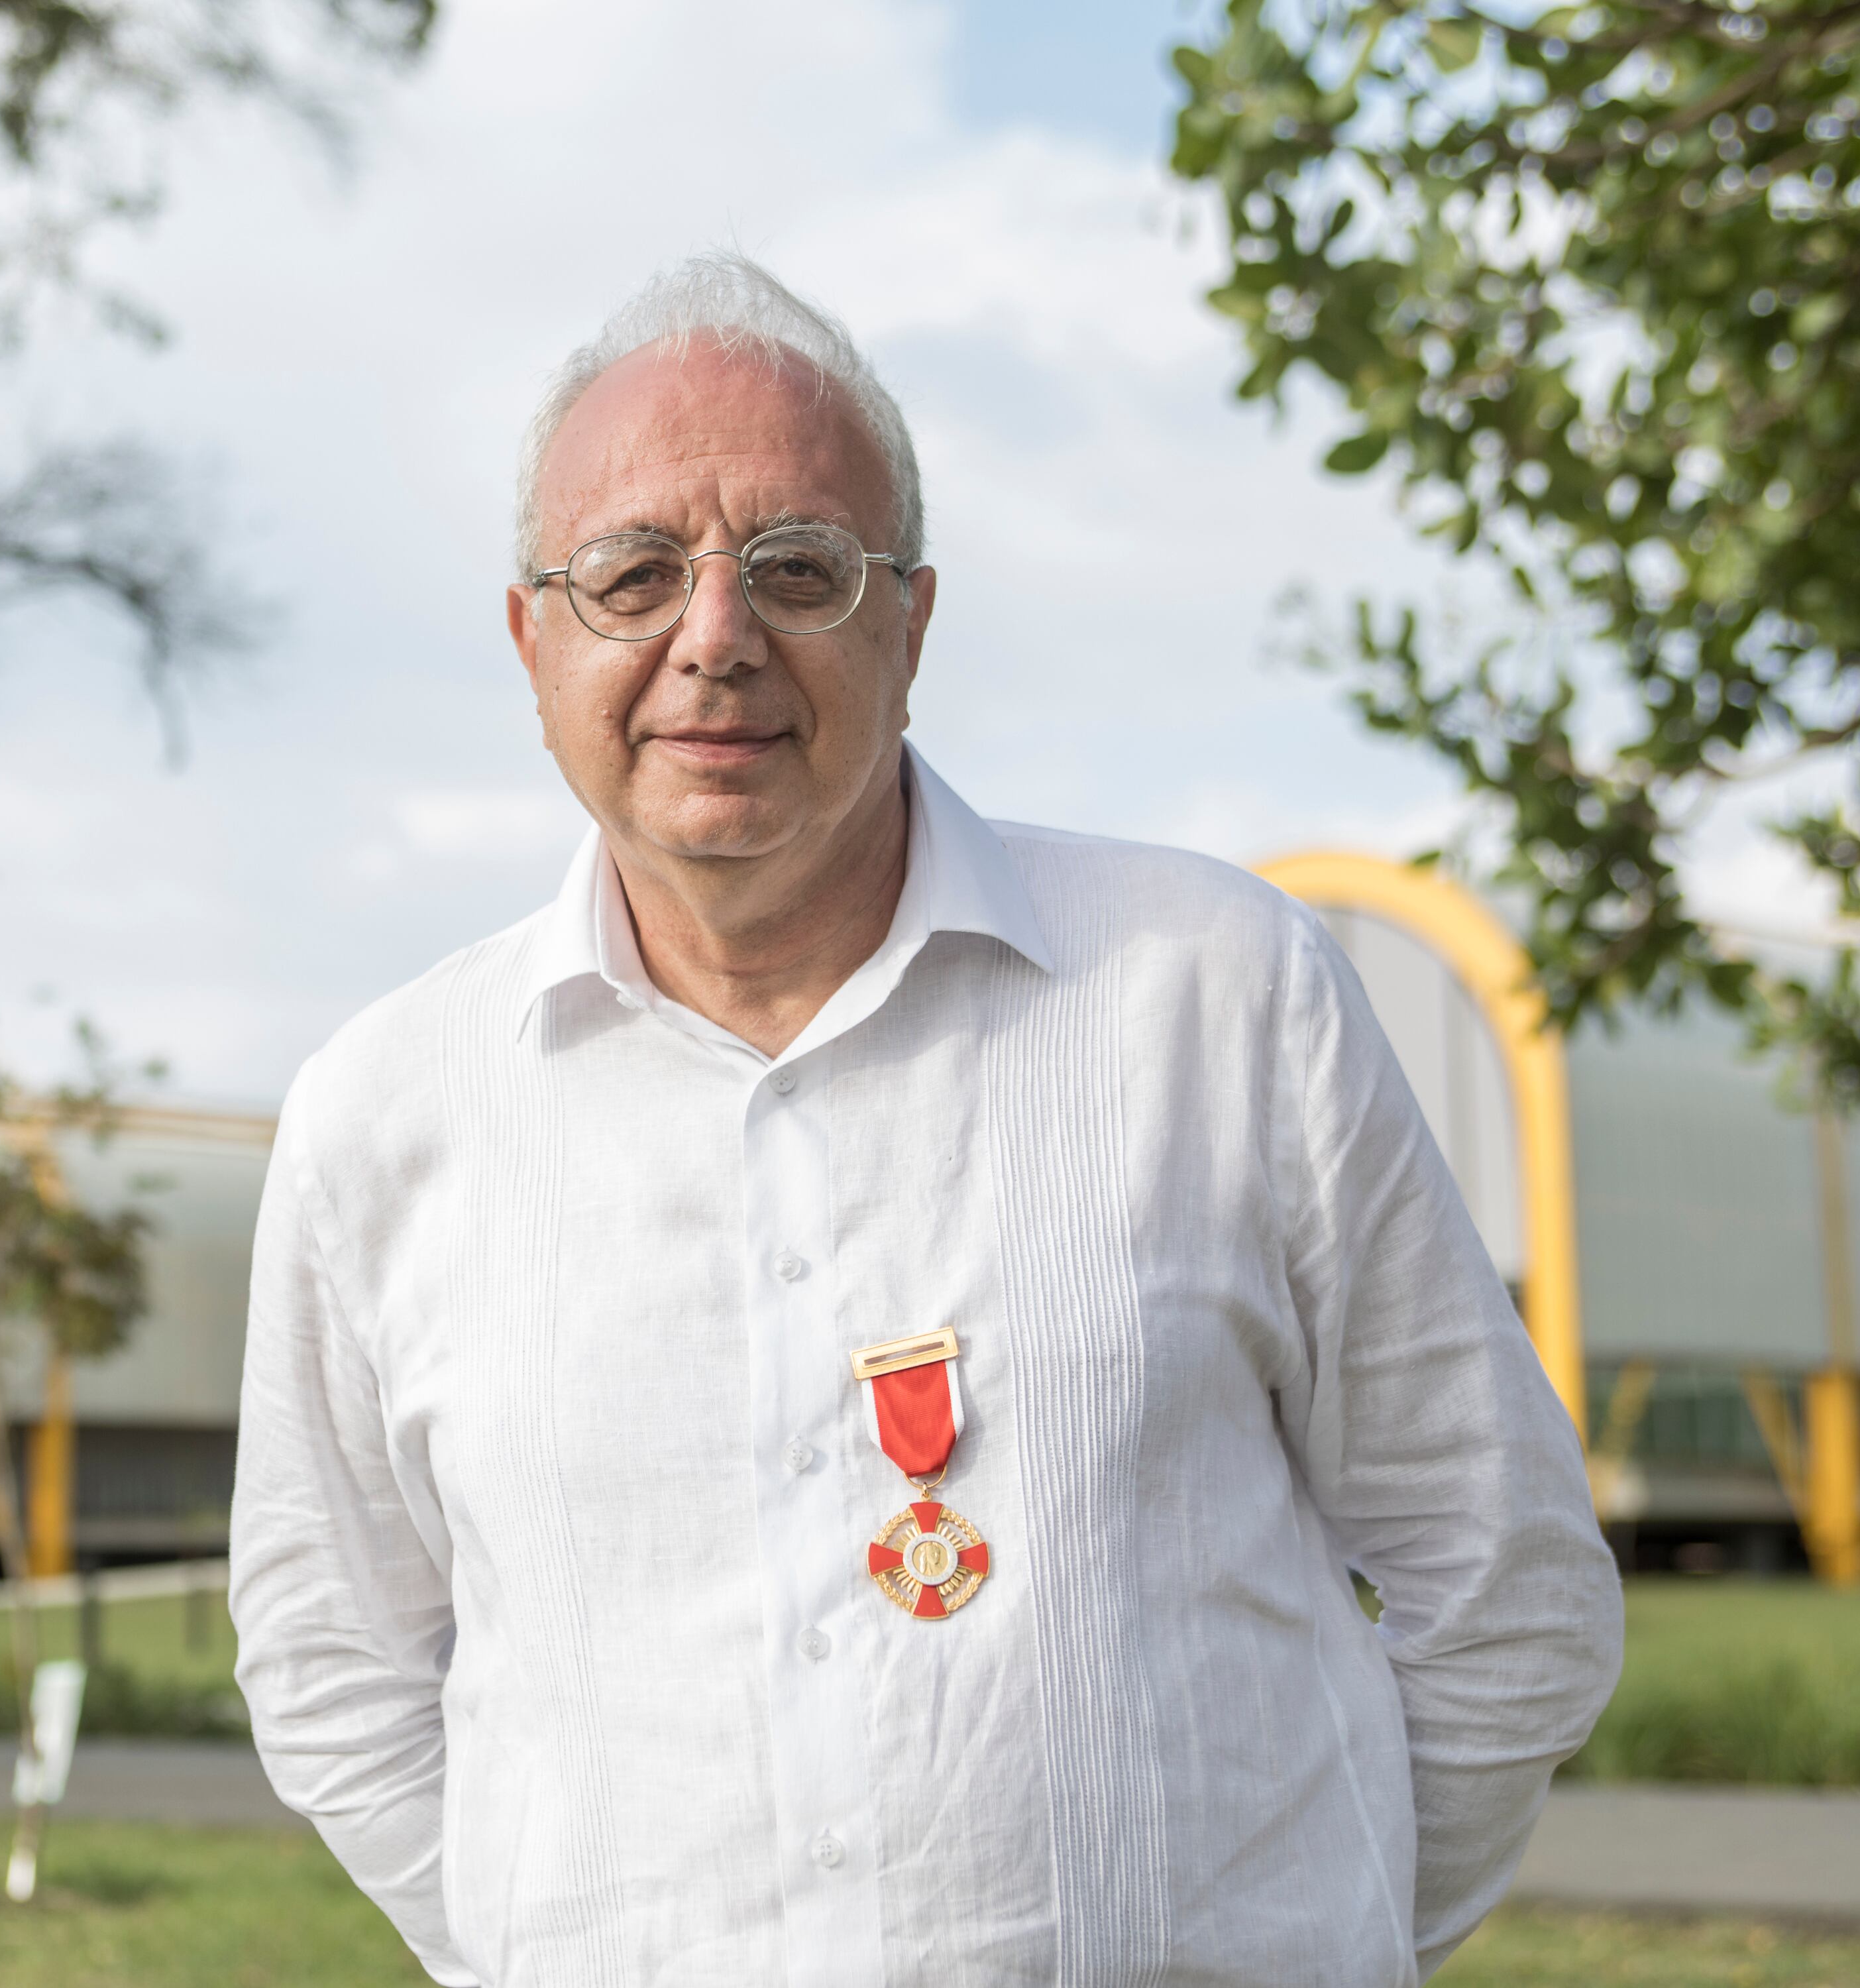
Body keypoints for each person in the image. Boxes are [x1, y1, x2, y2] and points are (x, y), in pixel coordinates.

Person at [228, 252, 1621, 1987]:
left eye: (798, 569)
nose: (714, 638)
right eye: (634, 573)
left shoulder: (1212, 993)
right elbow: (333, 1668)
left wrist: (1314, 1941)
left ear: (910, 621)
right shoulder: (384, 1113)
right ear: (532, 636)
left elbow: (1502, 1591)